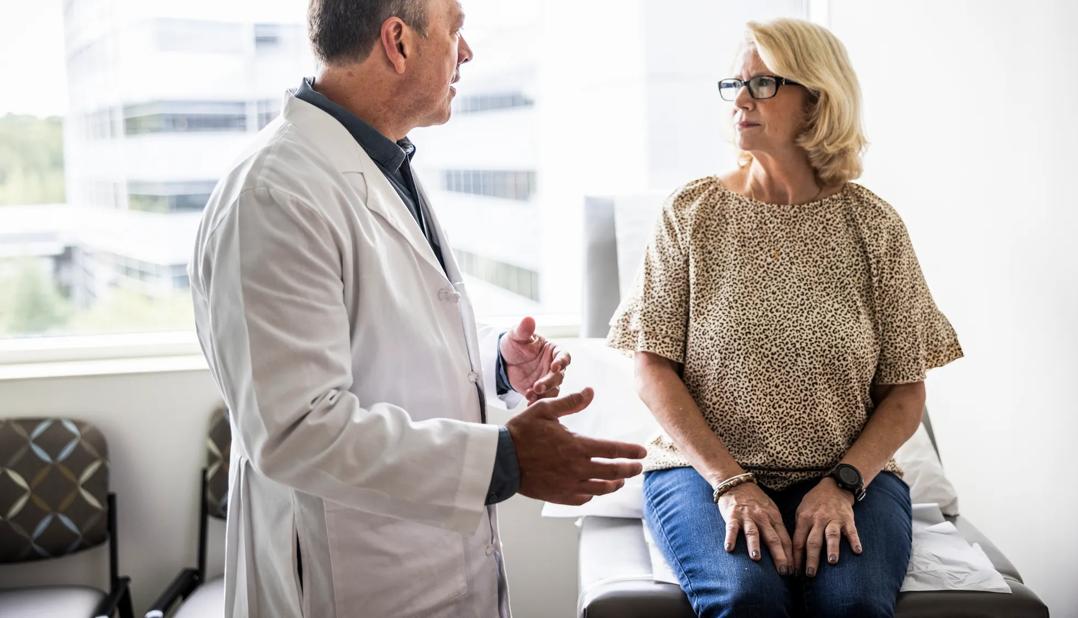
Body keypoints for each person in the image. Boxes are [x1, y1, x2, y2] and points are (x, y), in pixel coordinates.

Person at [188, 0, 646, 616]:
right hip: (351, 582)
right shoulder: (275, 195)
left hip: (425, 565)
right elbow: (296, 430)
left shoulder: (379, 161)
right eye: (456, 29)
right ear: (398, 42)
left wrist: (496, 363)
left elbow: (386, 342)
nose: (468, 51)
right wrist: (505, 461)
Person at [606, 17, 963, 618]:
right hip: (703, 472)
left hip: (847, 475)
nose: (740, 100)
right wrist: (730, 483)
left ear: (816, 102)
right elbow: (650, 366)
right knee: (748, 599)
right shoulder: (691, 214)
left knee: (852, 604)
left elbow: (906, 391)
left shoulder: (874, 226)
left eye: (763, 84)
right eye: (735, 84)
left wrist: (844, 484)